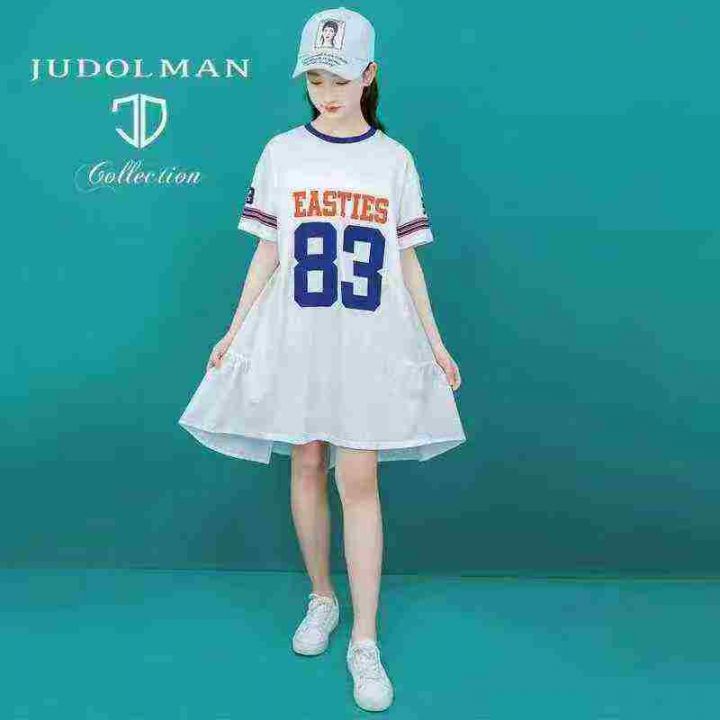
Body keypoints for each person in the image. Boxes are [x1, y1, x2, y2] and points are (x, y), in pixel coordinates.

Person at [178, 6, 467, 712]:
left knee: (358, 476)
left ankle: (365, 640)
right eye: (315, 78)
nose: (327, 92)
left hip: (367, 339)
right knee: (306, 460)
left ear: (369, 75)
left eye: (339, 78)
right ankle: (321, 597)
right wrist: (233, 329)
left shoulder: (393, 160)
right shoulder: (283, 152)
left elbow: (407, 260)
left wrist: (435, 341)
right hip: (298, 333)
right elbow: (268, 251)